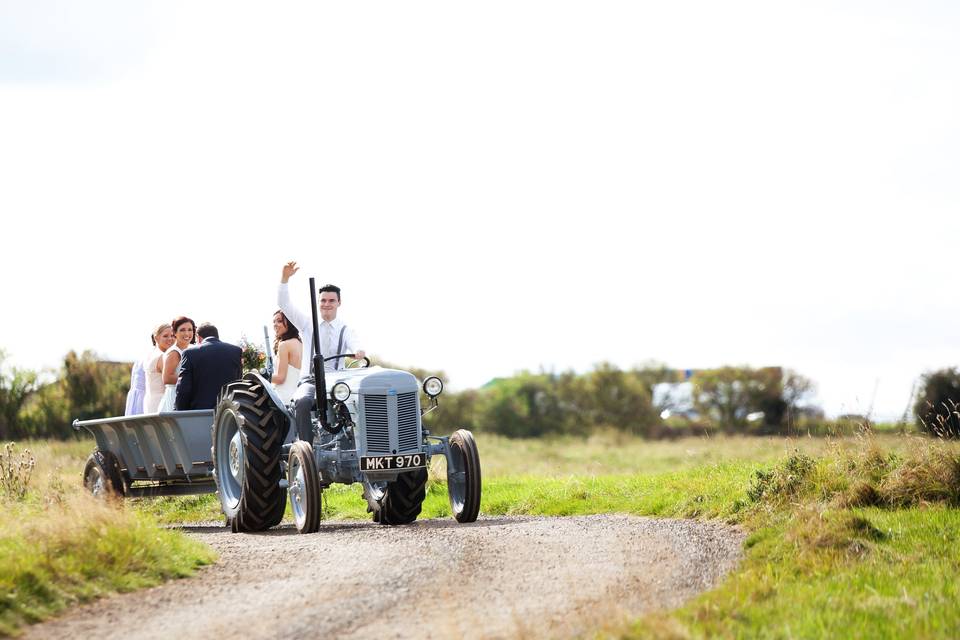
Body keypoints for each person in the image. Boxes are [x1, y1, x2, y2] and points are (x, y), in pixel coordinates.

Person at [278, 261, 366, 440]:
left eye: (331, 300)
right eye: (323, 300)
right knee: (302, 402)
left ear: (339, 302)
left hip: (338, 382)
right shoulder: (307, 324)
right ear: (318, 302)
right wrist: (285, 279)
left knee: (359, 402)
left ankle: (354, 444)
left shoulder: (345, 329)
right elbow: (284, 304)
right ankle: (306, 449)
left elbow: (356, 343)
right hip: (310, 381)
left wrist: (359, 351)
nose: (327, 304)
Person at [175, 323, 242, 411]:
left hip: (200, 411)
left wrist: (180, 411)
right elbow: (239, 381)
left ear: (198, 337)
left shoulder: (189, 353)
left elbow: (184, 388)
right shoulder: (236, 351)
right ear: (217, 336)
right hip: (228, 411)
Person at [158, 316, 196, 412]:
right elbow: (167, 378)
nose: (187, 333)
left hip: (188, 395)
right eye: (182, 330)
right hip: (175, 396)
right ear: (175, 332)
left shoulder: (193, 348)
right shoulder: (174, 352)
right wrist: (191, 381)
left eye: (190, 330)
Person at [270, 309, 302, 404]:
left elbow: (280, 378)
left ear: (289, 322)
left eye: (279, 321)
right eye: (274, 322)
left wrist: (262, 375)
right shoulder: (301, 344)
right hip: (297, 396)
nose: (275, 324)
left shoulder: (284, 345)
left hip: (283, 398)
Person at [144, 323, 175, 413]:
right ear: (156, 338)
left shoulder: (151, 354)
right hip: (161, 402)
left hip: (151, 400)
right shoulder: (162, 356)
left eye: (172, 335)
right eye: (165, 336)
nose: (170, 339)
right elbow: (169, 380)